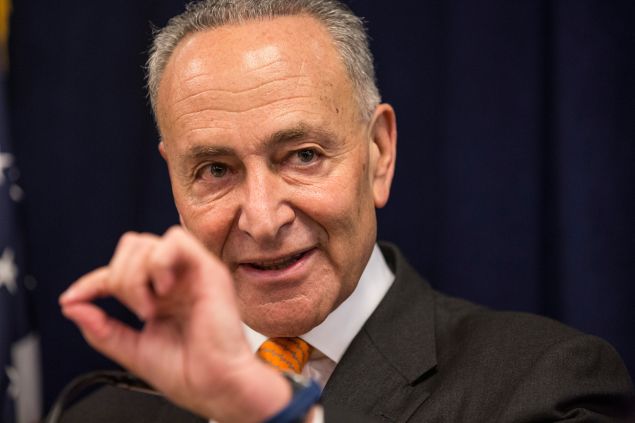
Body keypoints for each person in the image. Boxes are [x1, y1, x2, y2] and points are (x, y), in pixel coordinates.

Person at [57, 0, 635, 422]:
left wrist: (273, 412)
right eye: (215, 170)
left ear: (379, 154)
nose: (262, 219)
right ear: (174, 183)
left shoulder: (547, 385)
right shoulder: (103, 413)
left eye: (303, 156)